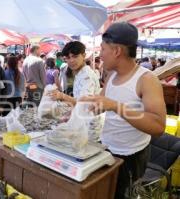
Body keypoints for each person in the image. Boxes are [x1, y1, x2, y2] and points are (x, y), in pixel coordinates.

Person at [81, 22, 166, 199]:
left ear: (117, 51)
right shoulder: (111, 75)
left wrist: (116, 106)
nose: (100, 55)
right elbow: (101, 105)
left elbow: (158, 126)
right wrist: (77, 112)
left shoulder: (146, 79)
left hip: (131, 156)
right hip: (106, 148)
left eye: (103, 49)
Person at [49, 41, 101, 140]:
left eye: (75, 56)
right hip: (81, 125)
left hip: (88, 128)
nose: (71, 60)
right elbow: (78, 101)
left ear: (84, 55)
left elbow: (84, 103)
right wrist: (70, 114)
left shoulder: (87, 76)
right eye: (68, 58)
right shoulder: (79, 74)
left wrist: (62, 96)